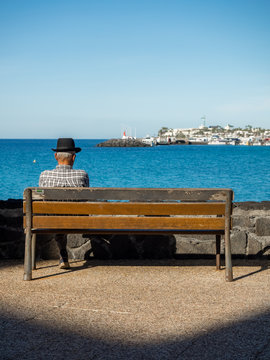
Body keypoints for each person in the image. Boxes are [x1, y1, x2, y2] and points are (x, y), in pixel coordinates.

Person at [39, 138, 89, 269]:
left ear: (55, 156)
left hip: (51, 221)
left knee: (56, 216)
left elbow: (40, 197)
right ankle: (63, 256)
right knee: (67, 214)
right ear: (73, 157)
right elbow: (86, 199)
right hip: (77, 222)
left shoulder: (44, 176)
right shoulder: (82, 175)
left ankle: (63, 255)